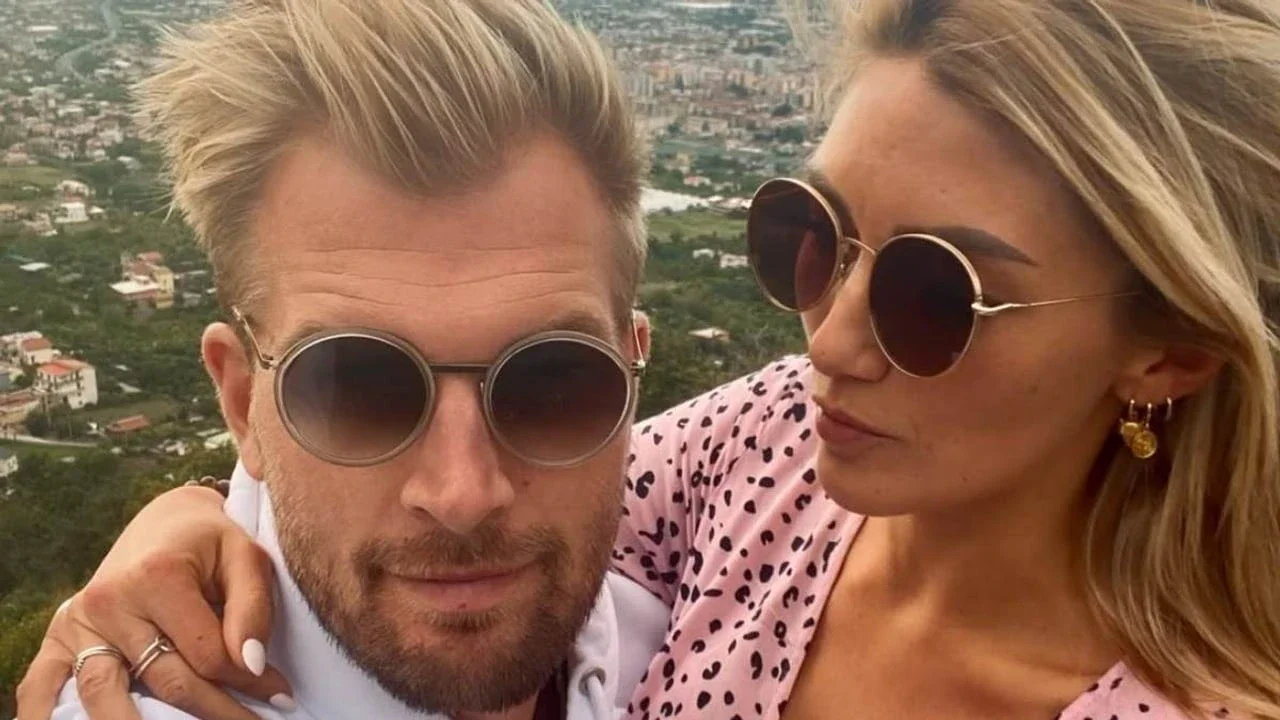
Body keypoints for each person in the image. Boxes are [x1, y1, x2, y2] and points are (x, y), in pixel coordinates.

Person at [20, 0, 1280, 718]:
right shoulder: (772, 456)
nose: (827, 340)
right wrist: (205, 509)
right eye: (811, 235)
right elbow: (489, 512)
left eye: (931, 297)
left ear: (1165, 355)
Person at [17, 0, 678, 719]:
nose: (462, 495)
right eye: (358, 388)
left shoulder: (684, 641)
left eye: (552, 381)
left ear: (630, 379)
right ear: (243, 403)